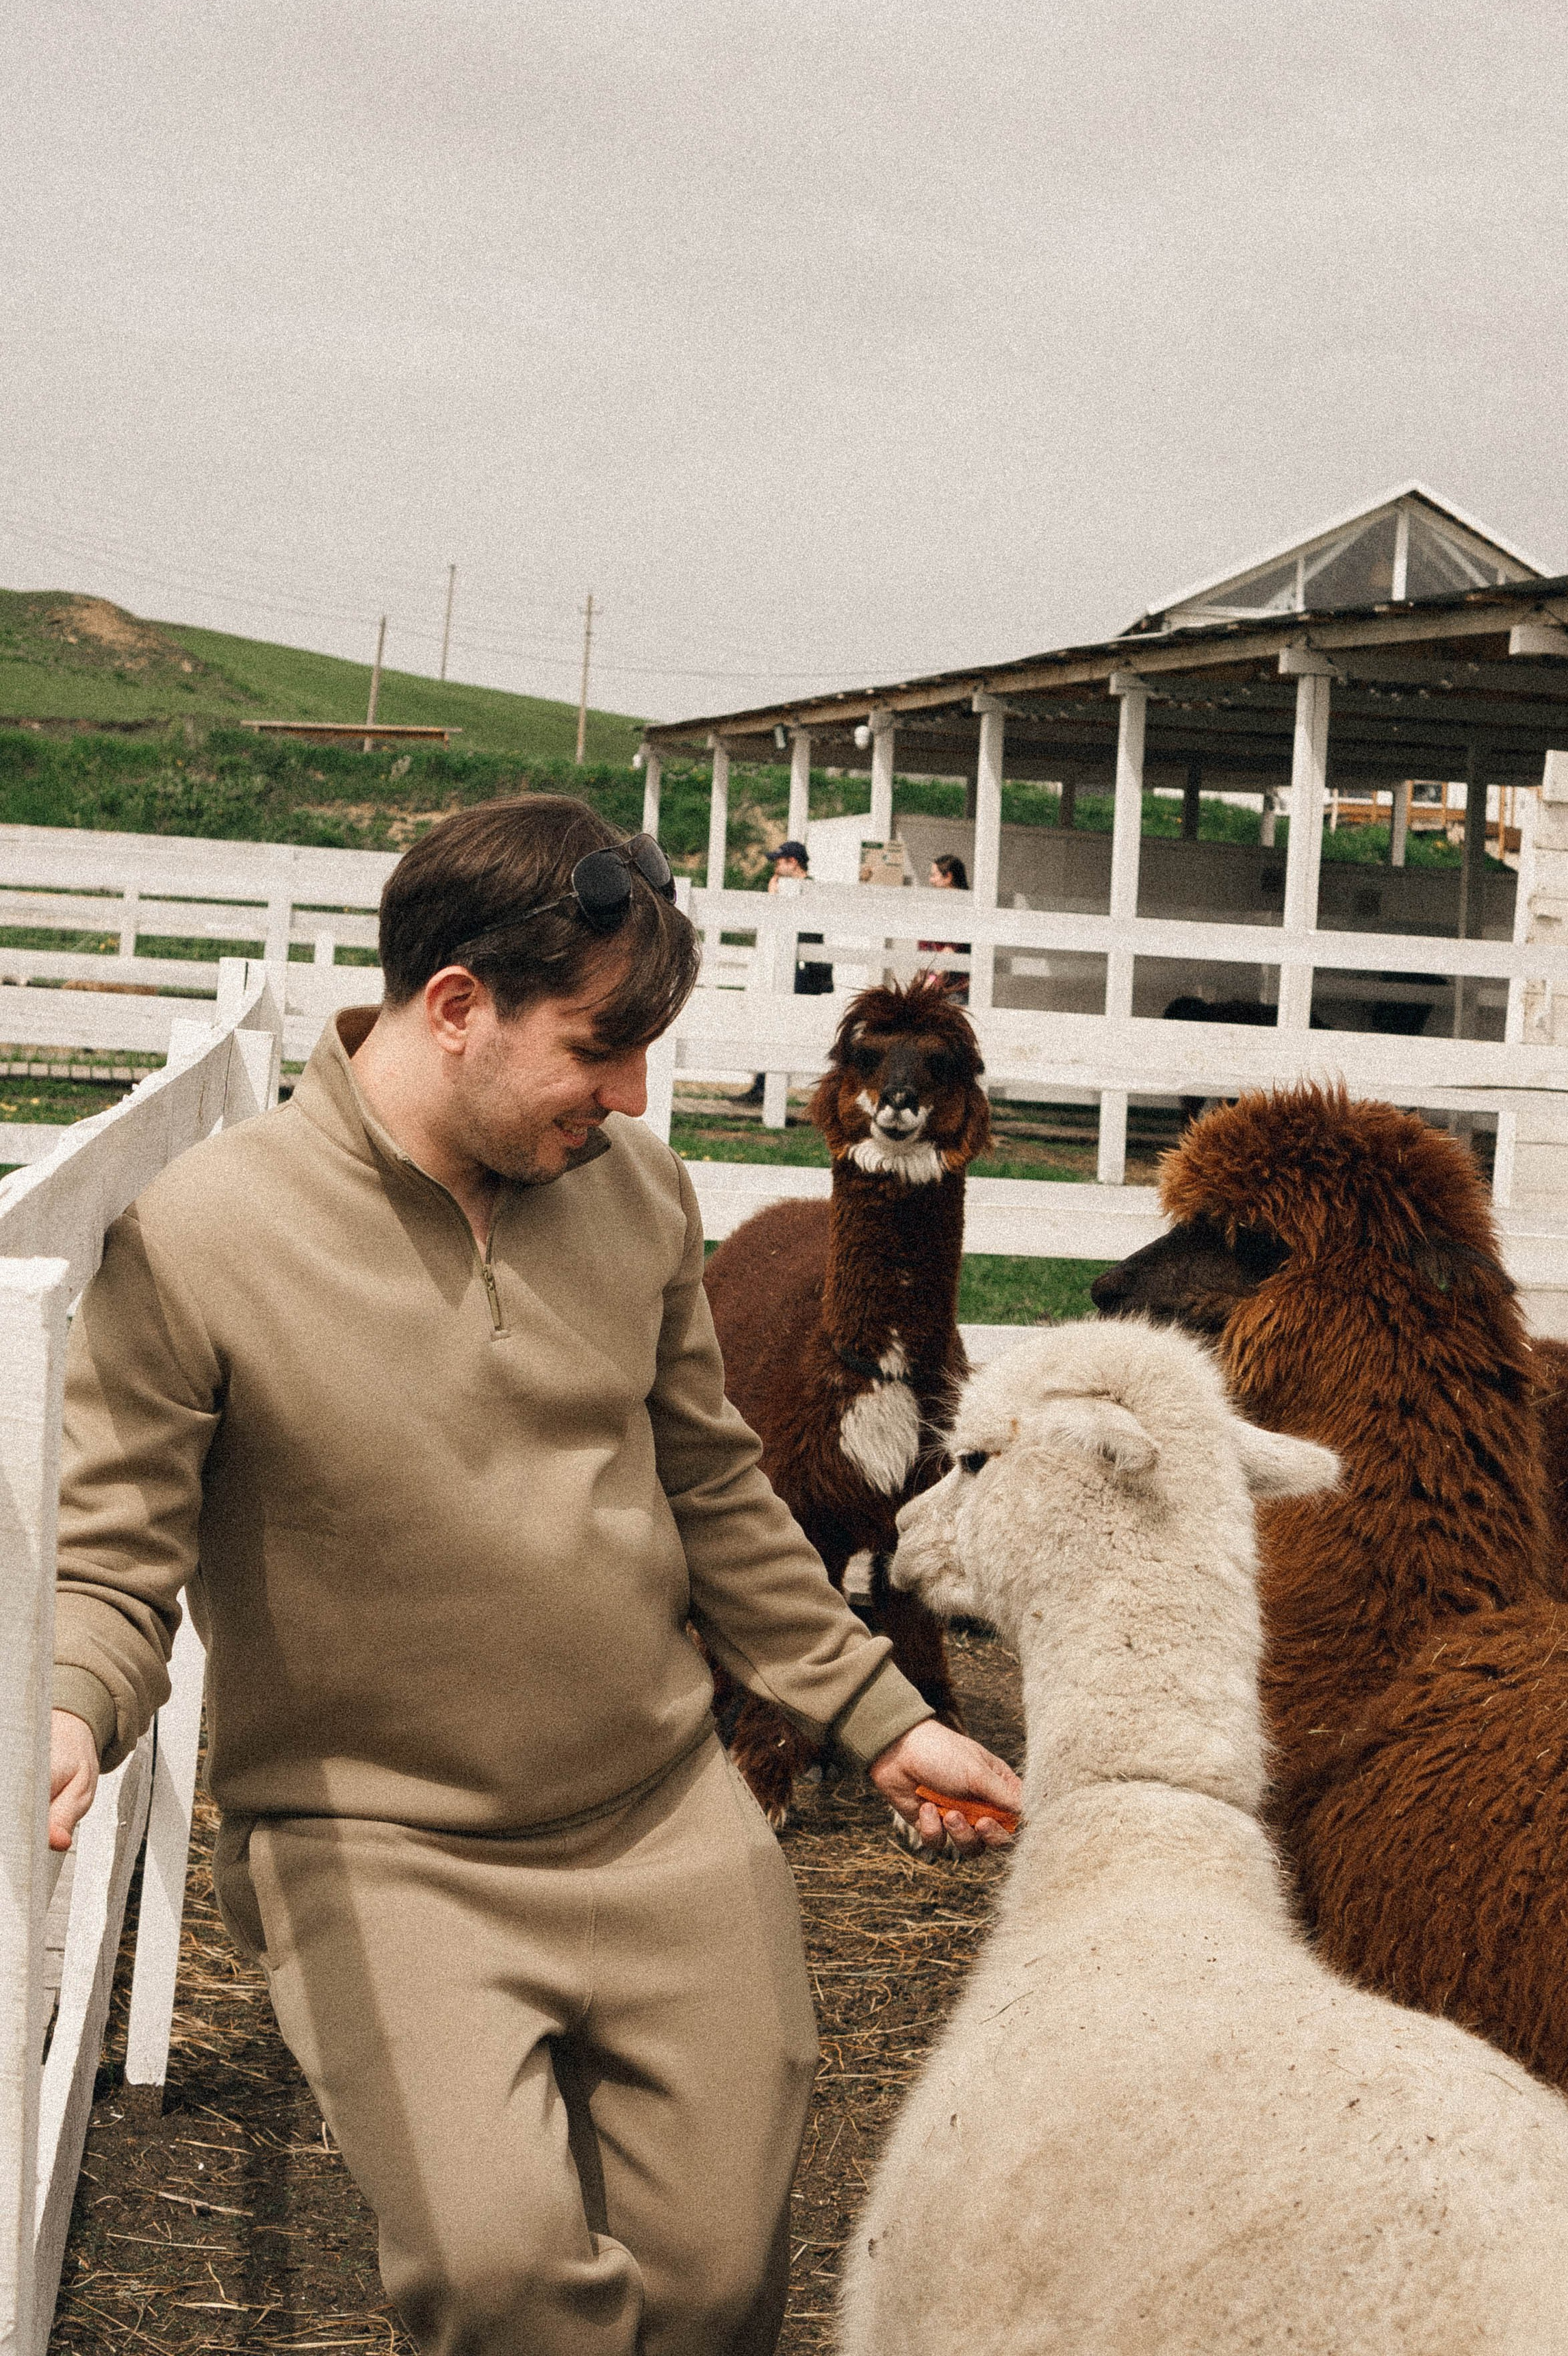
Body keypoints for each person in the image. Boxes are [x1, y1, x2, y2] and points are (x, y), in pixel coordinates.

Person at [47, 795, 1020, 2356]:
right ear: (456, 1006)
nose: (631, 1095)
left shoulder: (638, 1198)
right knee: (504, 2282)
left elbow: (716, 1491)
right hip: (376, 1847)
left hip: (660, 1812)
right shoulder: (204, 1241)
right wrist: (66, 1707)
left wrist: (882, 1717)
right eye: (599, 1047)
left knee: (715, 2289)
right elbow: (112, 1555)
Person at [729, 838, 830, 1108]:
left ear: (792, 862)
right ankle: (762, 1086)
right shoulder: (799, 889)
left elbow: (799, 929)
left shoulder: (807, 890)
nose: (775, 866)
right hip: (799, 968)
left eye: (779, 861)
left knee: (783, 1027)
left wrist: (775, 900)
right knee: (774, 1024)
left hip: (802, 970)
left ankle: (766, 1089)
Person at [918, 851, 973, 997]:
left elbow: (949, 952)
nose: (931, 880)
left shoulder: (961, 909)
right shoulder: (942, 907)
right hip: (935, 986)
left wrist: (929, 982)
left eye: (934, 875)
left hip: (950, 990)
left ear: (948, 877)